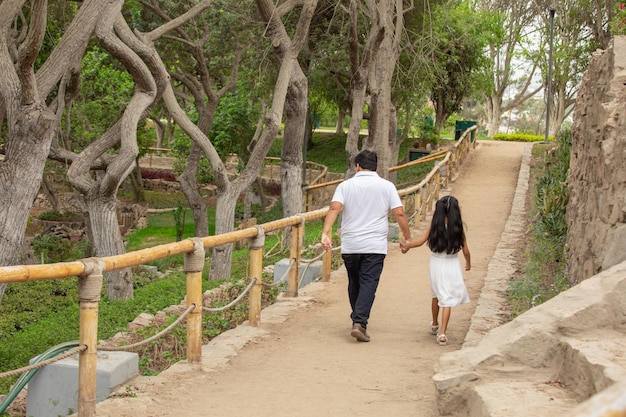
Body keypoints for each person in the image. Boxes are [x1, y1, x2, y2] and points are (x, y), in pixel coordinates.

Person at [321, 150, 412, 342]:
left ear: (357, 166)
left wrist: (325, 233)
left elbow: (334, 208)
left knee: (355, 283)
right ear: (376, 167)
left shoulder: (345, 186)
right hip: (374, 245)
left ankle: (358, 320)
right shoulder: (387, 186)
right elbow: (400, 213)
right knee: (368, 283)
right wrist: (408, 237)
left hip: (351, 244)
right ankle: (360, 322)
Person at [399, 195, 471, 346]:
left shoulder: (435, 225)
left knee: (436, 294)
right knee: (447, 299)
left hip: (436, 263)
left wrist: (406, 245)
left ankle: (435, 324)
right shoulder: (458, 227)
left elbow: (420, 241)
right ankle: (443, 333)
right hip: (452, 263)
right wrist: (468, 263)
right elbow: (466, 251)